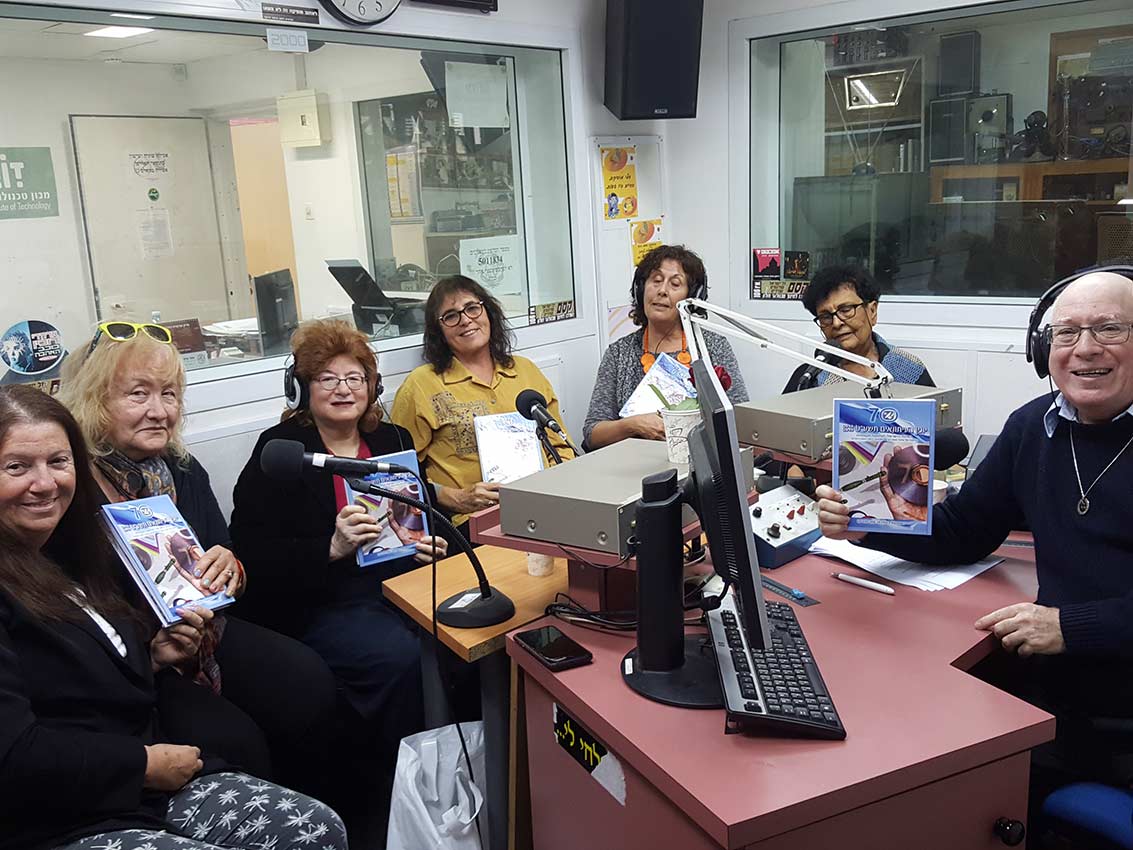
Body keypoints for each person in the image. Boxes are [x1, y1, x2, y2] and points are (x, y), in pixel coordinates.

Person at [814, 270, 1133, 828]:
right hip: (1056, 693)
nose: (1085, 348)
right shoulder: (1033, 428)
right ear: (1043, 349)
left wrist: (1070, 626)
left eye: (1109, 329)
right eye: (1066, 333)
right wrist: (867, 522)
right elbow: (965, 528)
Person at [0, 384, 346, 850]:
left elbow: (73, 671)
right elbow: (15, 755)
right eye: (17, 467)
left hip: (135, 786)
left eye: (58, 462)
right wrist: (144, 765)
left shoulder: (73, 549)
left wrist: (153, 657)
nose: (45, 483)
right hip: (59, 813)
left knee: (318, 828)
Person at [58, 321, 337, 795]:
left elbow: (227, 559)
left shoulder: (181, 468)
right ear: (94, 399)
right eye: (138, 394)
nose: (159, 411)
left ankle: (311, 811)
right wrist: (153, 652)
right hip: (137, 660)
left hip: (206, 631)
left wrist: (232, 567)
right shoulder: (70, 486)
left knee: (309, 682)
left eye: (169, 394)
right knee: (235, 742)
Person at [229, 319, 449, 845]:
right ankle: (391, 794)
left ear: (373, 386)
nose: (343, 389)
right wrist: (329, 547)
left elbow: (423, 512)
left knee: (462, 634)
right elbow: (250, 556)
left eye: (355, 378)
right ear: (302, 389)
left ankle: (448, 773)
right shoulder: (280, 452)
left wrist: (430, 542)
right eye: (327, 378)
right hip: (324, 599)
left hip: (403, 580)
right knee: (398, 657)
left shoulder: (392, 438)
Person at [391, 275, 573, 532]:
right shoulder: (421, 385)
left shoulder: (526, 371)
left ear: (488, 312)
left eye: (472, 308)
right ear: (438, 331)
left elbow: (561, 445)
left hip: (544, 505)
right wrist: (455, 497)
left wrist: (555, 486)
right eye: (451, 316)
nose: (465, 320)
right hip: (472, 521)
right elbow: (400, 476)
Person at [583, 244, 748, 450]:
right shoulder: (619, 353)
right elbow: (592, 434)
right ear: (641, 289)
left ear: (692, 297)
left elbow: (740, 422)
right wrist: (632, 425)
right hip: (633, 462)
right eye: (656, 280)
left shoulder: (713, 347)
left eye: (675, 284)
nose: (662, 291)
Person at [783, 264, 933, 393]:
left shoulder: (908, 368)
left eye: (846, 310)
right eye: (826, 316)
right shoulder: (809, 379)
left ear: (872, 311)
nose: (836, 323)